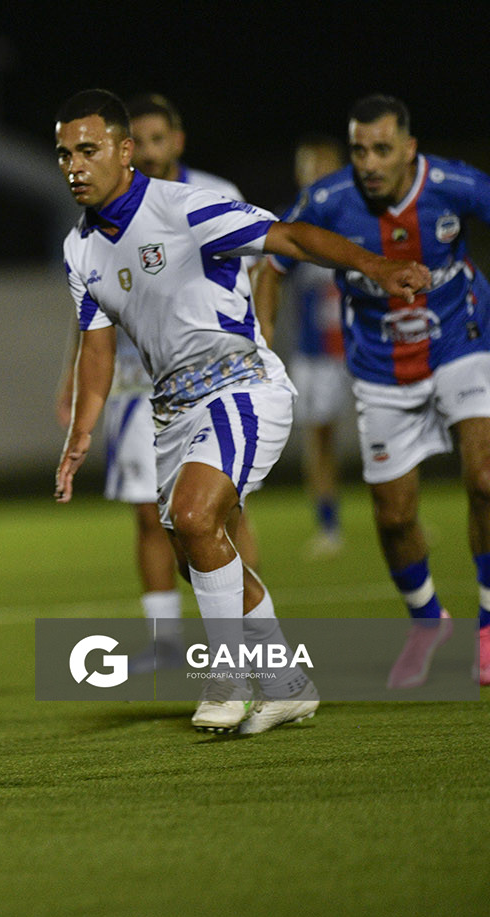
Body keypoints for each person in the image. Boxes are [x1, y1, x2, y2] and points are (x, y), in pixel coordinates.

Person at [52, 89, 430, 732]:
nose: (74, 166)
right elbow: (96, 345)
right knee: (199, 545)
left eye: (88, 150)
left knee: (198, 517)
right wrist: (81, 432)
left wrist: (376, 266)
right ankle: (287, 684)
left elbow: (288, 235)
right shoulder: (80, 248)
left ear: (123, 151)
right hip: (171, 410)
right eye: (64, 154)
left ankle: (225, 679)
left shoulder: (182, 207)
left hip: (240, 387)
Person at [256, 95, 490, 688]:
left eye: (383, 149)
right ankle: (427, 619)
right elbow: (272, 262)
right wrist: (258, 343)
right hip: (380, 368)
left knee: (486, 477)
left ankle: (487, 626)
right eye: (360, 149)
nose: (369, 162)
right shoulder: (330, 200)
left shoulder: (454, 183)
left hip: (461, 343)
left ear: (409, 149)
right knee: (393, 515)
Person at [55, 92, 258, 667]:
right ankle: (167, 643)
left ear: (177, 141)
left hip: (216, 379)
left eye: (154, 139)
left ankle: (253, 645)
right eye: (137, 141)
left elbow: (263, 269)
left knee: (221, 513)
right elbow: (93, 314)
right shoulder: (98, 224)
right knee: (151, 512)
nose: (145, 150)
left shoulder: (209, 198)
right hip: (135, 383)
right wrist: (72, 386)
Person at [253, 135, 352, 558]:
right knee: (320, 439)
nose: (318, 175)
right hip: (317, 352)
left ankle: (408, 515)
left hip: (365, 345)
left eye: (325, 166)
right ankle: (328, 525)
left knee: (400, 431)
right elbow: (266, 273)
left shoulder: (361, 215)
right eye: (311, 167)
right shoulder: (292, 223)